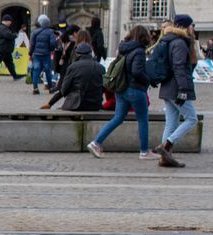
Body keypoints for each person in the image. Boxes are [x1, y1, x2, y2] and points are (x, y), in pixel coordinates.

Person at [87, 25, 155, 160]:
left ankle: (96, 142)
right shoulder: (139, 51)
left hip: (121, 88)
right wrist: (148, 80)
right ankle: (144, 151)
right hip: (135, 88)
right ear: (144, 37)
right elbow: (137, 71)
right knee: (142, 119)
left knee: (118, 117)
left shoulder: (123, 49)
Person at [153, 14, 199, 168]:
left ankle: (165, 159)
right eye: (192, 25)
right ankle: (166, 145)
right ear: (185, 27)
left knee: (171, 123)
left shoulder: (171, 40)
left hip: (168, 87)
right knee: (192, 118)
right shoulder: (179, 43)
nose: (193, 28)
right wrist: (183, 89)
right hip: (176, 88)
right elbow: (179, 67)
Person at [41, 30, 103, 111]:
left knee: (70, 86)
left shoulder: (74, 59)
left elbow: (64, 89)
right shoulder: (98, 66)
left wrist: (50, 103)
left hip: (77, 102)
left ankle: (51, 104)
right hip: (95, 105)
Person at [27, 16, 57, 94]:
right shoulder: (50, 32)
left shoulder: (34, 32)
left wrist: (30, 53)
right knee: (48, 70)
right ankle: (50, 87)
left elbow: (32, 44)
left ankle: (35, 88)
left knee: (36, 69)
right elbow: (53, 43)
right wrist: (51, 49)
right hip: (46, 54)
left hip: (37, 54)